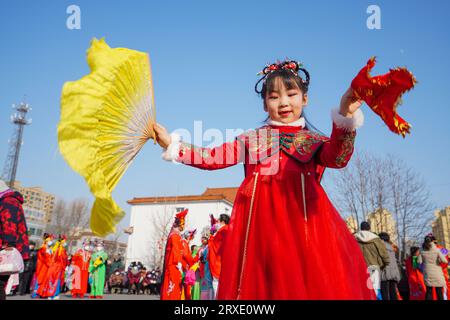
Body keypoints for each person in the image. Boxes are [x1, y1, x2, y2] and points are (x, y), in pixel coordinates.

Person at [153, 59, 374, 299]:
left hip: (305, 232)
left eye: (291, 94)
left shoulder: (315, 142)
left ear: (305, 98)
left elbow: (338, 158)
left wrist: (345, 115)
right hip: (258, 234)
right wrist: (172, 144)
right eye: (274, 96)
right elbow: (211, 158)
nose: (284, 103)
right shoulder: (251, 140)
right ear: (264, 104)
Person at [0, 179, 30, 300]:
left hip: (5, 248)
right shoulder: (8, 200)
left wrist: (8, 245)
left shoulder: (8, 202)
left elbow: (9, 225)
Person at [354, 221, 389, 298]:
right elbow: (384, 254)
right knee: (375, 290)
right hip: (373, 267)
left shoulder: (354, 238)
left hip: (359, 268)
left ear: (361, 228)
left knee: (362, 290)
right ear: (369, 228)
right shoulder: (376, 239)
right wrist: (384, 264)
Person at [160, 209, 187, 300]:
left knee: (171, 284)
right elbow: (176, 250)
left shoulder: (173, 235)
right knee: (173, 285)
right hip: (174, 264)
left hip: (172, 263)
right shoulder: (175, 236)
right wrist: (178, 262)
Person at [418, 235, 448, 300]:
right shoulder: (437, 250)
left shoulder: (421, 251)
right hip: (437, 274)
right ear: (432, 241)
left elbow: (419, 262)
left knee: (429, 291)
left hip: (427, 273)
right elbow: (445, 261)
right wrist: (439, 261)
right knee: (439, 291)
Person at [208, 214, 229, 299]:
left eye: (218, 221)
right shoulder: (222, 230)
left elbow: (216, 245)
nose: (217, 223)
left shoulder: (223, 230)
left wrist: (212, 238)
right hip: (217, 261)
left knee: (217, 284)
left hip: (218, 261)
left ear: (222, 221)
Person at [378, 232, 401, 300]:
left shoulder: (380, 246)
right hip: (393, 273)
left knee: (384, 293)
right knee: (393, 293)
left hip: (384, 272)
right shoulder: (392, 248)